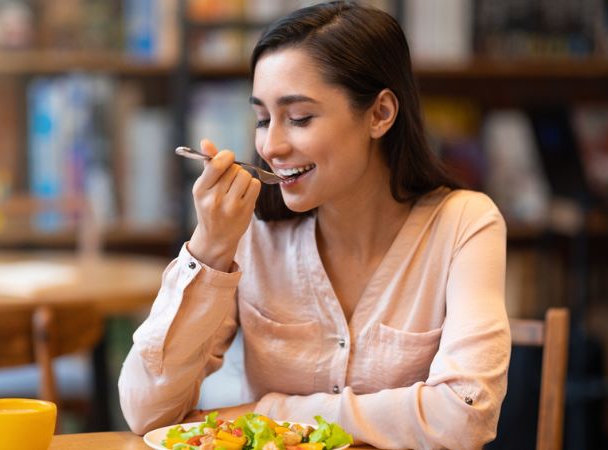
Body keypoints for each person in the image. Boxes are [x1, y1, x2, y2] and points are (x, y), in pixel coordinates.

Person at [118, 2, 510, 449]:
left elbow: (465, 415)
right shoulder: (248, 234)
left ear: (380, 114)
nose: (271, 145)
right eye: (263, 119)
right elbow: (147, 412)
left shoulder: (464, 224)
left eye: (300, 117)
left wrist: (271, 411)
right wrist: (208, 249)